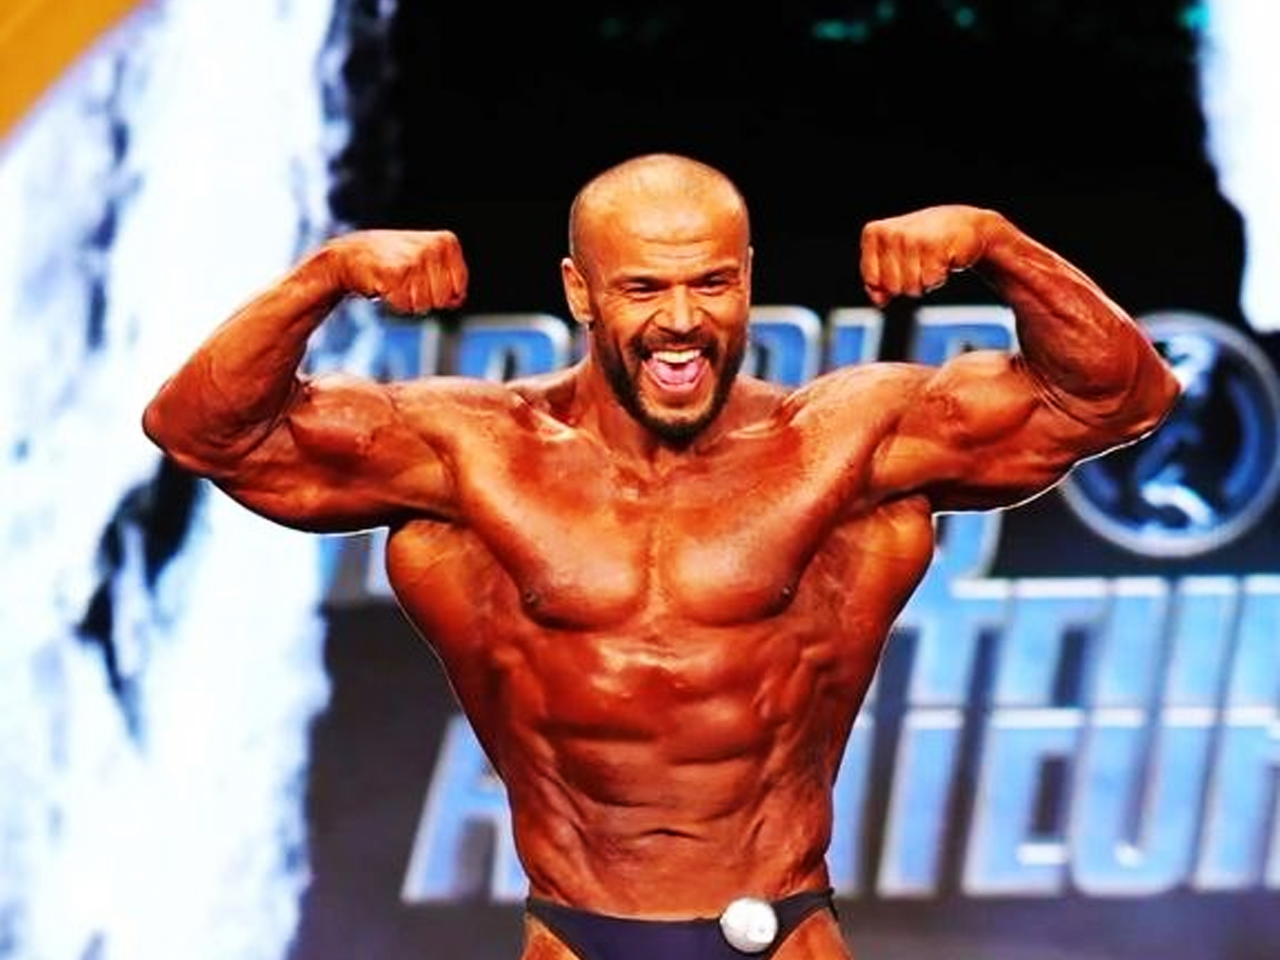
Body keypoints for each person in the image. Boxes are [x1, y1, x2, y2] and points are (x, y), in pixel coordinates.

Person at [141, 153, 1181, 960]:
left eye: (711, 283)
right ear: (581, 292)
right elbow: (206, 434)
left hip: (782, 924)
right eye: (642, 287)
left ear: (747, 282)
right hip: (575, 930)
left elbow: (1117, 399)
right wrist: (324, 275)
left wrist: (998, 244)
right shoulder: (471, 454)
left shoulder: (843, 446)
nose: (680, 322)